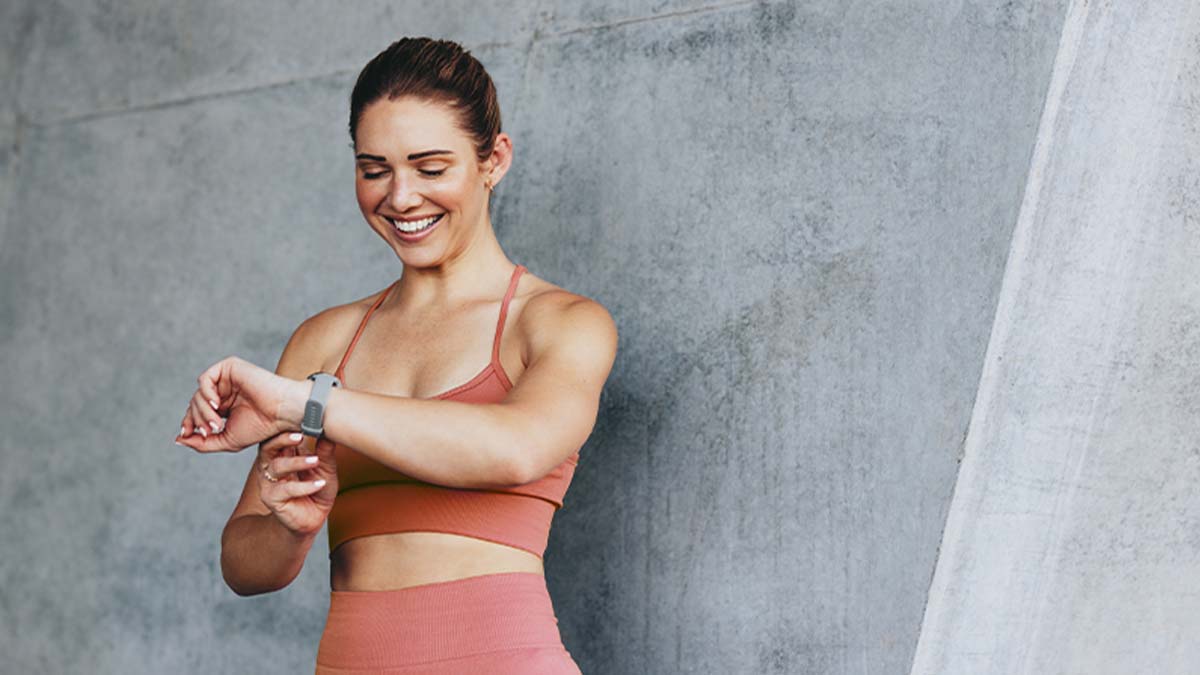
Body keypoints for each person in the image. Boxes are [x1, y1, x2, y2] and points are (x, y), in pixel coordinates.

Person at [174, 36, 617, 673]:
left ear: (494, 160)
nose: (401, 197)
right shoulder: (325, 340)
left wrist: (307, 404)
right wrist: (288, 527)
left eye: (431, 169)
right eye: (374, 170)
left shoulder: (560, 322)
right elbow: (245, 569)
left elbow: (516, 448)